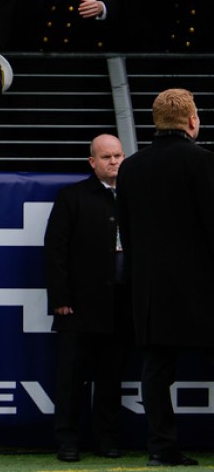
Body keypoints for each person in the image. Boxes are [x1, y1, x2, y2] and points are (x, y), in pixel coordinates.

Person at [117, 88, 214, 468]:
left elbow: (126, 228)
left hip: (151, 289)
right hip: (202, 288)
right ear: (192, 120)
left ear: (156, 121)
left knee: (156, 369)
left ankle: (160, 447)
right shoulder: (203, 162)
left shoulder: (130, 167)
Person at [43, 134, 133, 463]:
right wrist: (61, 298)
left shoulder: (135, 197)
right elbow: (56, 251)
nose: (114, 162)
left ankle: (106, 439)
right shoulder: (72, 197)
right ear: (92, 162)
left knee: (111, 377)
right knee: (71, 377)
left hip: (121, 305)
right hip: (78, 306)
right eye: (106, 157)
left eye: (119, 155)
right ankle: (67, 440)